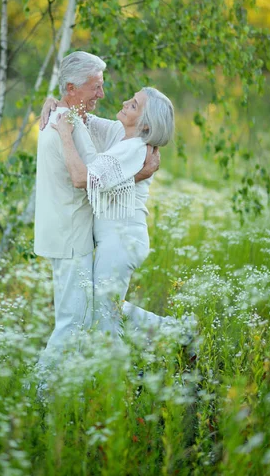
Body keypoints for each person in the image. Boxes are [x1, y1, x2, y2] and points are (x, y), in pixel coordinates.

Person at [33, 52, 160, 379]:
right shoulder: (67, 123)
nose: (103, 95)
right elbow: (82, 179)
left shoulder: (75, 120)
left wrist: (59, 100)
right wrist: (139, 176)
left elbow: (105, 162)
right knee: (78, 320)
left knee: (98, 310)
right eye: (97, 87)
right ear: (73, 88)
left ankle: (166, 339)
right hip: (72, 237)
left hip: (98, 237)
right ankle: (42, 395)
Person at [50, 86, 185, 346]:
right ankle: (176, 331)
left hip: (122, 240)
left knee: (104, 317)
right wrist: (52, 102)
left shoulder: (133, 149)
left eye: (133, 105)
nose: (125, 102)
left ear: (146, 125)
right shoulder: (121, 136)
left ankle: (112, 376)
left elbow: (81, 179)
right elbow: (82, 117)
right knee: (104, 307)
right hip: (117, 240)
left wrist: (65, 136)